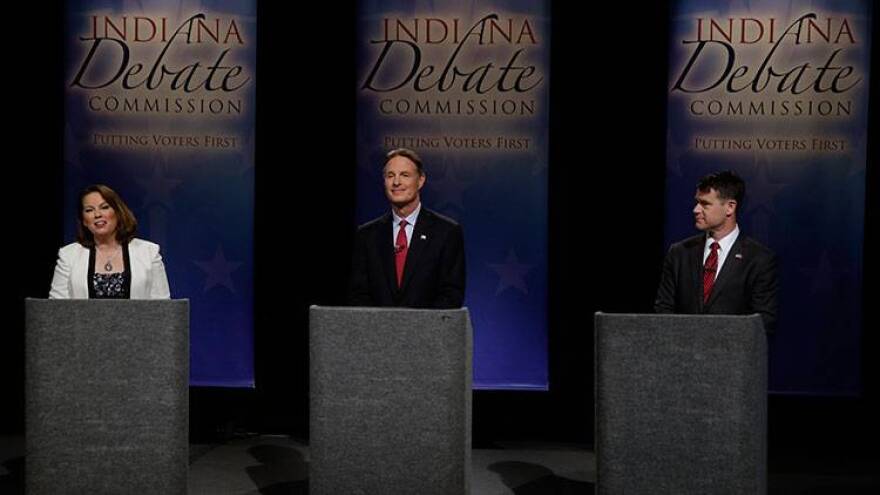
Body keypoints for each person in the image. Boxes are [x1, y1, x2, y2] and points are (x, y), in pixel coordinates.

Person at [654, 170, 778, 331]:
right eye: (697, 202)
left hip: (731, 354)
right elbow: (663, 310)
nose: (696, 210)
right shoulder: (679, 253)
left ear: (730, 207)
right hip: (683, 352)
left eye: (705, 204)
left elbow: (763, 321)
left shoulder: (760, 259)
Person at [348, 148, 465, 308]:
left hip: (428, 331)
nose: (396, 182)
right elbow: (358, 294)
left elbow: (451, 295)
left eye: (405, 175)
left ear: (421, 180)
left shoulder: (446, 232)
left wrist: (413, 328)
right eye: (390, 176)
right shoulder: (367, 235)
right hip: (378, 330)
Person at [49, 184, 170, 299]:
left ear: (118, 213)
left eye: (104, 207)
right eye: (89, 210)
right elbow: (55, 307)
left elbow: (163, 307)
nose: (97, 214)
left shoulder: (149, 252)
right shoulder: (68, 255)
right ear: (84, 221)